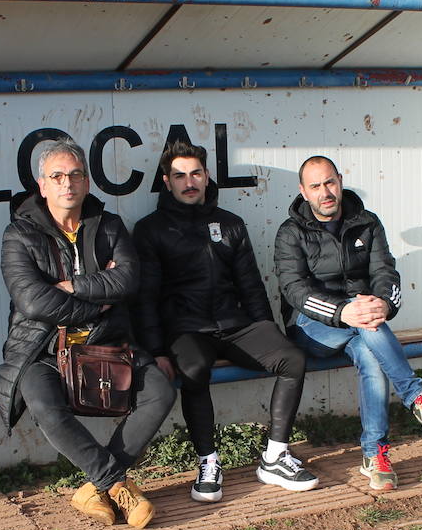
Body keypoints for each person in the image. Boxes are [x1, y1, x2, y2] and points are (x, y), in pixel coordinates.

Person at [0, 140, 175, 528]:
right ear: (42, 185)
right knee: (43, 403)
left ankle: (94, 489)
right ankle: (113, 482)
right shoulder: (18, 235)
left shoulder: (109, 225)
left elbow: (128, 280)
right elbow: (34, 302)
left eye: (75, 175)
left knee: (159, 390)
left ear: (87, 182)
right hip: (40, 347)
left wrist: (72, 286)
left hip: (108, 343)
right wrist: (100, 299)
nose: (67, 184)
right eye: (57, 176)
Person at [135, 141, 317, 501]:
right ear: (166, 181)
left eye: (196, 174)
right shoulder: (150, 230)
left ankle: (275, 456)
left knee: (292, 358)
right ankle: (208, 461)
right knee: (195, 368)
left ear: (206, 177)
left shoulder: (229, 223)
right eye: (180, 176)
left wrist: (267, 329)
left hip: (234, 323)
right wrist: (155, 349)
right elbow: (145, 298)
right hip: (186, 329)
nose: (189, 182)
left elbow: (250, 284)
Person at [274, 155, 422, 491]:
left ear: (340, 180)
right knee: (366, 323)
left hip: (362, 322)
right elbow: (294, 290)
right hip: (312, 326)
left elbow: (386, 272)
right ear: (303, 191)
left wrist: (383, 303)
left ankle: (376, 456)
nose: (325, 192)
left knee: (371, 346)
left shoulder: (367, 222)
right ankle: (416, 397)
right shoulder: (291, 233)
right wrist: (342, 312)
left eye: (330, 182)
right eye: (315, 186)